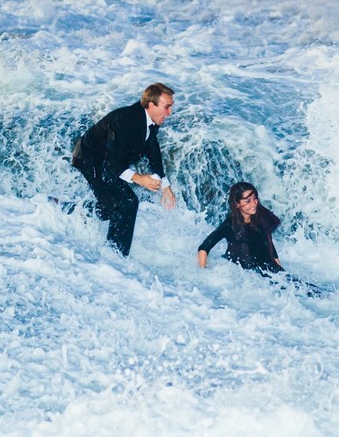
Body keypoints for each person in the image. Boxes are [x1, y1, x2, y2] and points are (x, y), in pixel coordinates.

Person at [72, 83, 176, 256]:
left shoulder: (151, 119)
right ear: (151, 105)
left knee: (109, 206)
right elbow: (112, 162)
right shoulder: (127, 121)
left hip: (109, 160)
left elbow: (152, 148)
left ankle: (72, 209)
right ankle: (115, 255)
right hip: (90, 159)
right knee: (127, 202)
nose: (170, 112)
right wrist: (137, 177)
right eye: (167, 107)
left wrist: (165, 184)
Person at [197, 182, 323, 297]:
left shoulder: (260, 219)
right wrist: (204, 274)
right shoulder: (229, 225)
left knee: (310, 292)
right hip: (248, 275)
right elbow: (205, 246)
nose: (254, 203)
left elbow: (269, 245)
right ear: (236, 204)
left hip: (266, 270)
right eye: (248, 201)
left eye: (255, 198)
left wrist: (280, 270)